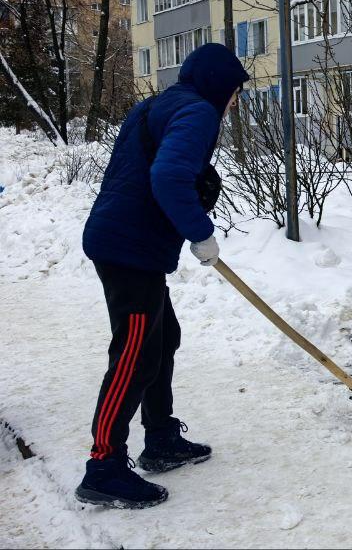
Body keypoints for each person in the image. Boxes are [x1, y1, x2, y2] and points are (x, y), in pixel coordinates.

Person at [76, 43, 250, 509]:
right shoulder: (198, 113)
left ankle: (161, 438)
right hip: (128, 250)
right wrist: (200, 232)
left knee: (161, 338)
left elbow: (148, 168)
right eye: (235, 91)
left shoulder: (158, 104)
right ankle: (104, 466)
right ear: (220, 85)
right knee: (133, 355)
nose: (234, 101)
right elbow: (168, 177)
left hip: (132, 245)